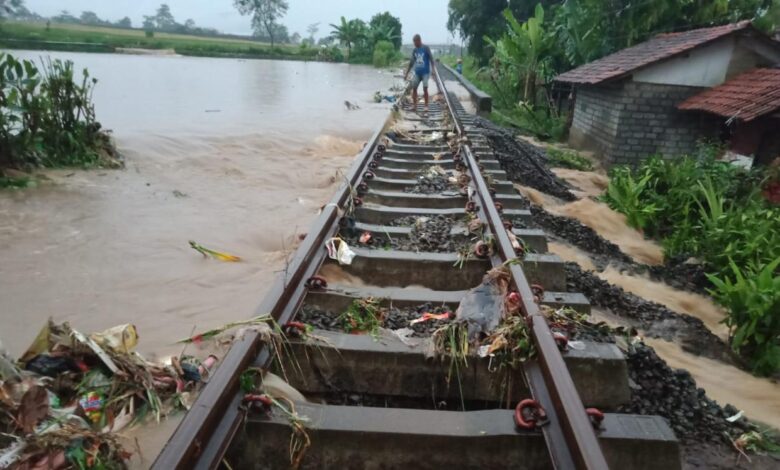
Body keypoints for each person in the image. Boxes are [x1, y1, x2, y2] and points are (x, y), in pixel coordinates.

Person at [405, 34, 433, 113]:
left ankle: (426, 106)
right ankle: (414, 105)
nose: (414, 44)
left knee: (425, 88)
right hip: (417, 72)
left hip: (425, 73)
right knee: (414, 87)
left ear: (419, 41)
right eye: (413, 42)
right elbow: (411, 63)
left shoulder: (426, 48)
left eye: (415, 42)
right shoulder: (415, 50)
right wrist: (407, 73)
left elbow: (431, 59)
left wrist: (433, 70)